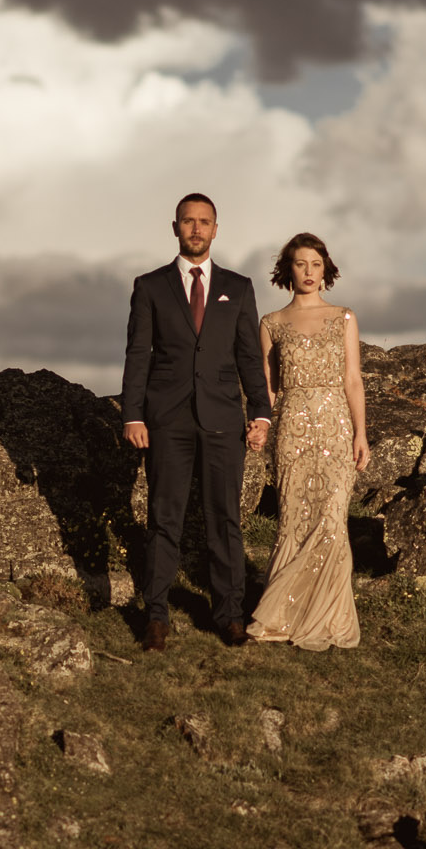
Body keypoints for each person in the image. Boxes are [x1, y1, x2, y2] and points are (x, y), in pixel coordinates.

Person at [122, 193, 273, 652]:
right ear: (175, 228)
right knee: (163, 518)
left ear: (215, 229)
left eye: (204, 222)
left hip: (224, 418)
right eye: (188, 221)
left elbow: (249, 355)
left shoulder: (239, 287)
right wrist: (132, 414)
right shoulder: (149, 286)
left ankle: (228, 614)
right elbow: (137, 354)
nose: (196, 229)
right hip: (166, 420)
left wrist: (261, 412)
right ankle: (156, 616)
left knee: (224, 519)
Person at [246, 233, 370, 652]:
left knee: (333, 520)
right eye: (301, 264)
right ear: (288, 270)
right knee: (294, 520)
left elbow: (353, 379)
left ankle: (329, 615)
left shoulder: (345, 317)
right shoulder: (272, 323)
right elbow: (268, 387)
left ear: (326, 269)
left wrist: (361, 434)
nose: (309, 272)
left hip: (335, 427)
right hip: (291, 433)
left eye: (316, 264)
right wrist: (259, 426)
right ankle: (284, 614)